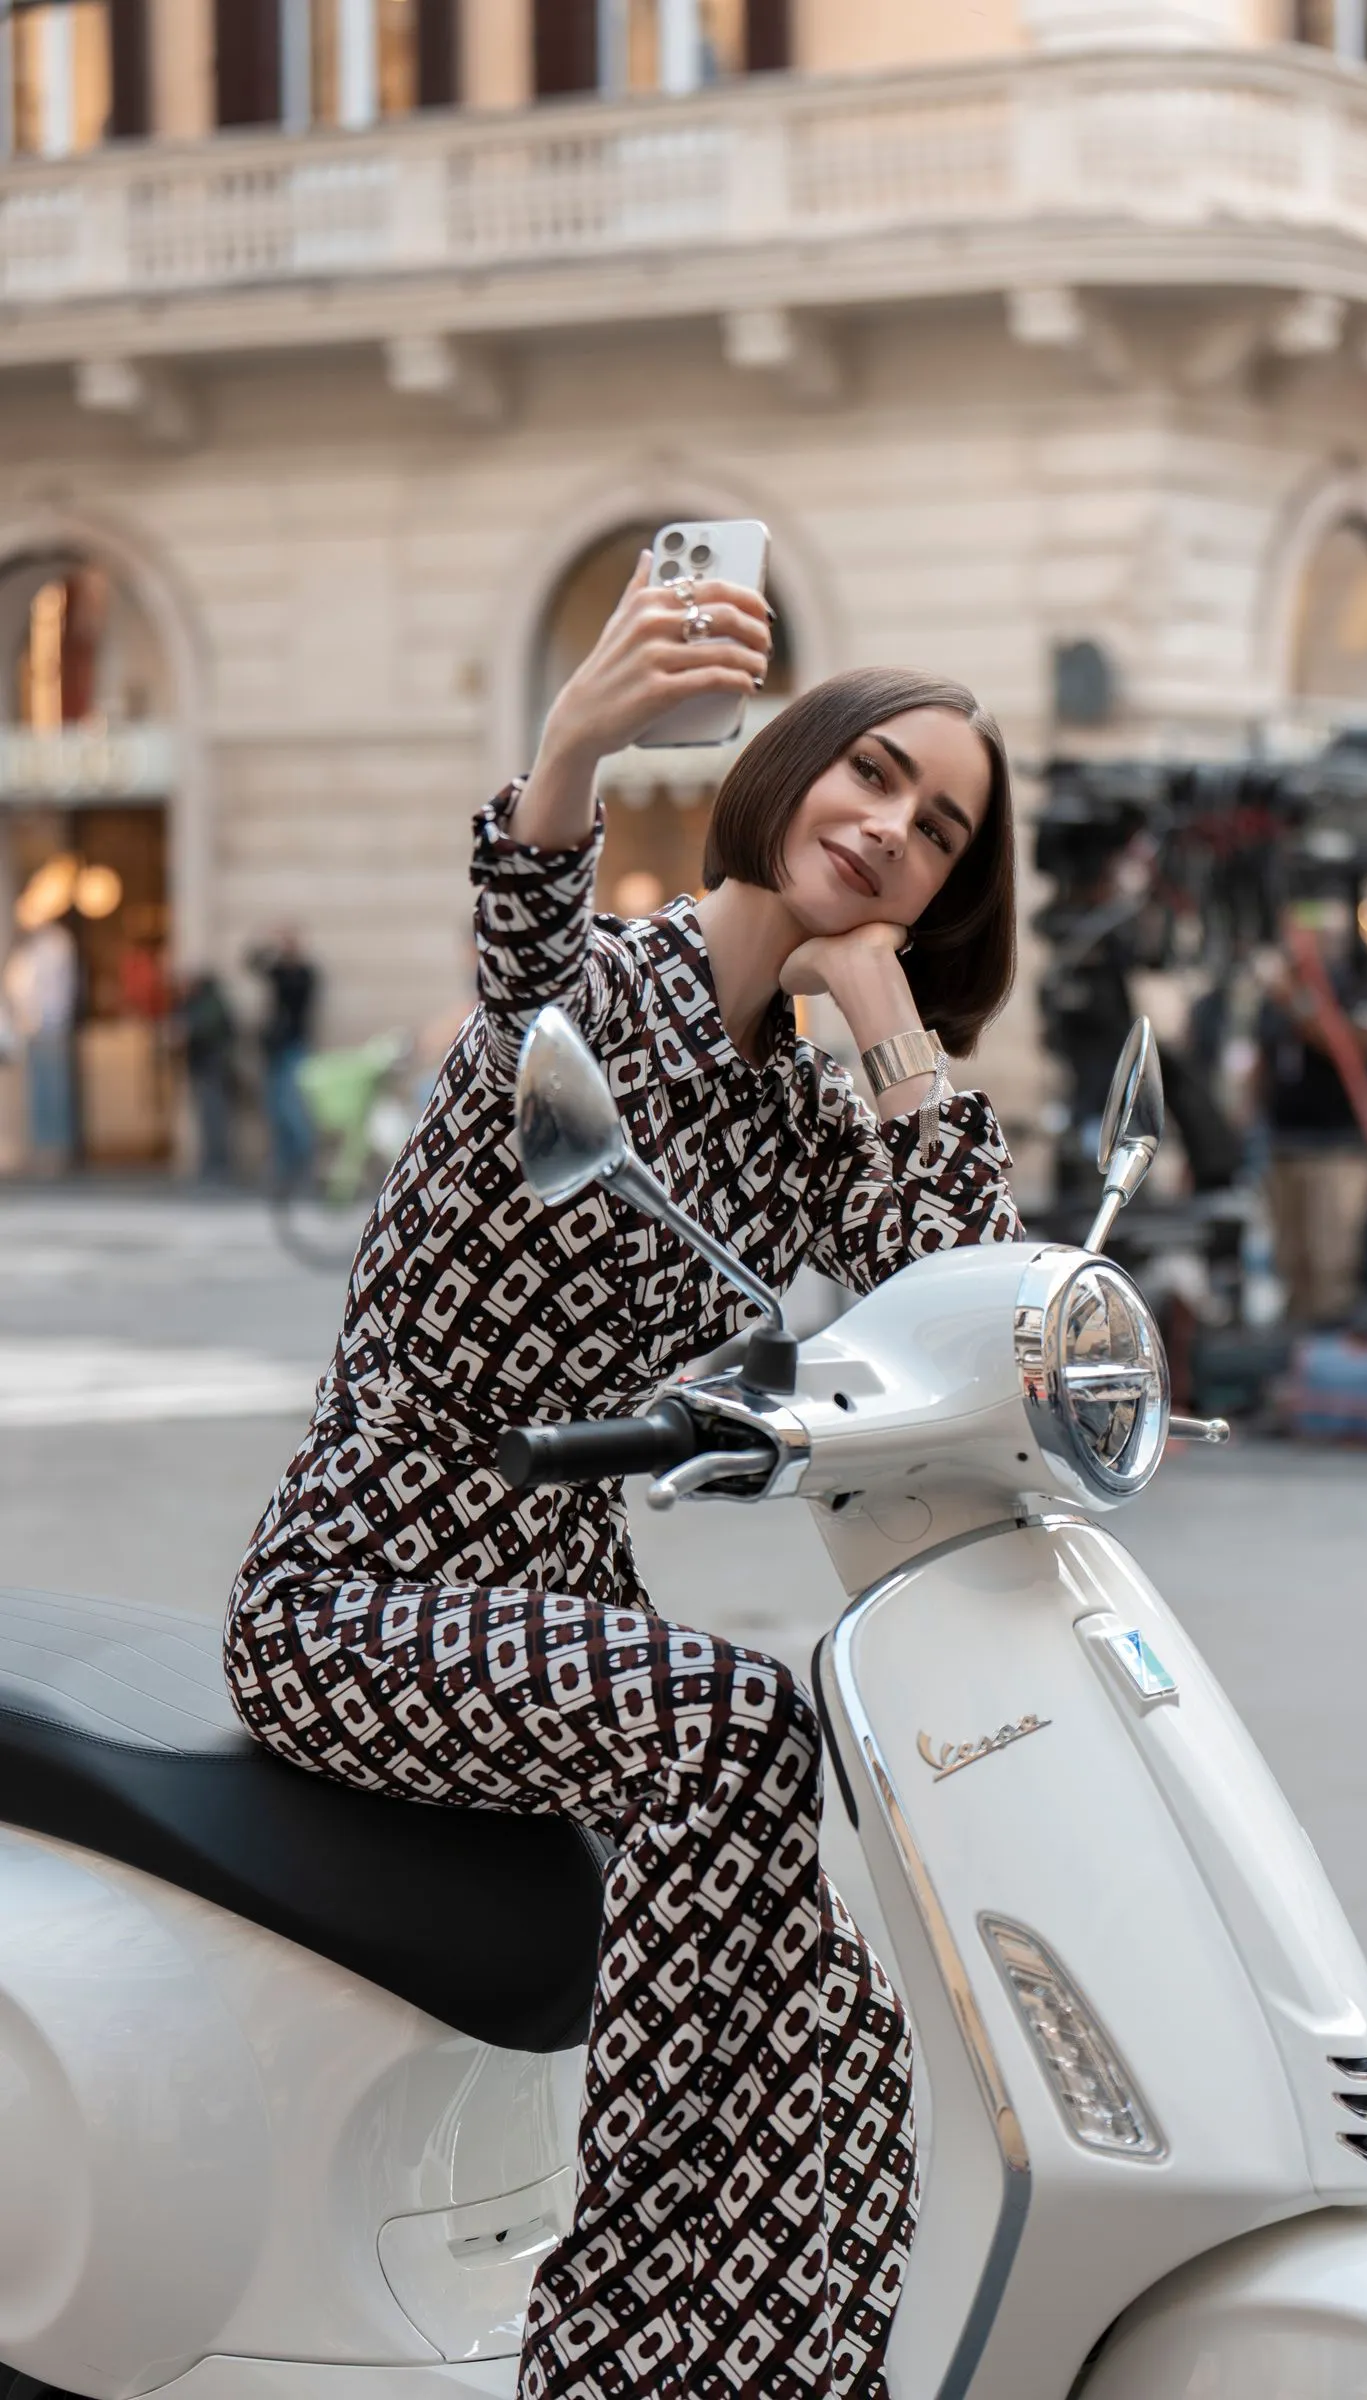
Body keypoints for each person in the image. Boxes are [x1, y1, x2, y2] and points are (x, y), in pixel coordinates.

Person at [223, 552, 1020, 2400]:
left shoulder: (801, 1106)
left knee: (847, 2021)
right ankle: (613, 2345)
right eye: (873, 772)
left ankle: (800, 2369)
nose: (892, 826)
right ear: (794, 766)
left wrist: (883, 1015)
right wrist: (584, 730)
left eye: (940, 830)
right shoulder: (594, 993)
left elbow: (970, 1305)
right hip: (362, 1591)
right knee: (742, 1727)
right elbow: (524, 944)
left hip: (563, 1609)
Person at [1257, 906, 1367, 1325]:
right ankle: (1298, 1344)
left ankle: (1333, 1342)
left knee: (1333, 1261)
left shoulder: (1345, 986)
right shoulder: (1275, 995)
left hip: (1336, 1147)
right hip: (1285, 1143)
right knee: (1292, 1262)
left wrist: (1298, 1007)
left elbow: (1355, 1048)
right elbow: (1262, 1062)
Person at [1, 917, 77, 1173]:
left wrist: (51, 1019)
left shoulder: (56, 945)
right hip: (31, 1031)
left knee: (52, 1093)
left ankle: (55, 1153)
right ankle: (41, 1151)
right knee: (37, 1095)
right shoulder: (25, 952)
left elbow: (56, 990)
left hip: (49, 1029)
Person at [247, 926, 319, 1187]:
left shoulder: (304, 974)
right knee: (275, 1111)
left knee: (292, 1110)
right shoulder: (277, 971)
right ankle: (282, 1170)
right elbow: (252, 962)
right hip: (275, 1050)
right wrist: (268, 944)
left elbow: (295, 994)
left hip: (293, 1048)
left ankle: (303, 1168)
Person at [173, 968, 239, 1183]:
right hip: (202, 1068)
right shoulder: (193, 1004)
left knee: (214, 1118)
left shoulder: (209, 1005)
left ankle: (217, 1165)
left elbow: (203, 1029)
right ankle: (212, 1164)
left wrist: (186, 1030)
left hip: (212, 1069)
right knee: (207, 1118)